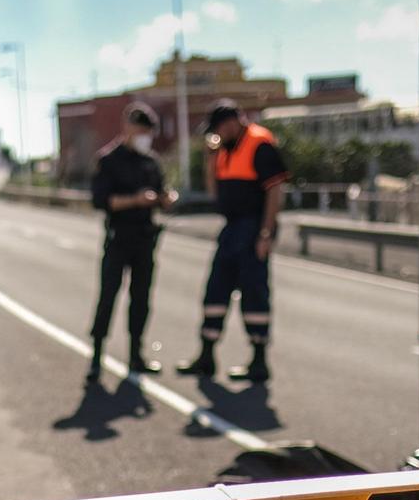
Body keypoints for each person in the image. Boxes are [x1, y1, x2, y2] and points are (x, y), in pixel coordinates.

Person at [178, 100, 289, 383]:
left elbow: (275, 191)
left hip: (253, 227)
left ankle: (259, 360)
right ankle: (206, 356)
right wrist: (209, 158)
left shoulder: (259, 144)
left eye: (219, 128)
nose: (217, 133)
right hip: (231, 228)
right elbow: (215, 190)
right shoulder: (224, 150)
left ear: (232, 122)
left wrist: (266, 233)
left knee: (254, 293)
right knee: (215, 290)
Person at [87, 102, 173, 381]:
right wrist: (134, 200)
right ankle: (97, 355)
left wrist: (165, 199)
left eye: (148, 133)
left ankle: (137, 355)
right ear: (127, 128)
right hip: (118, 239)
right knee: (108, 296)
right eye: (140, 132)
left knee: (141, 299)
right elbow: (101, 201)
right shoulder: (109, 160)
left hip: (145, 239)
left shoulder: (151, 161)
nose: (144, 138)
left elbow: (161, 191)